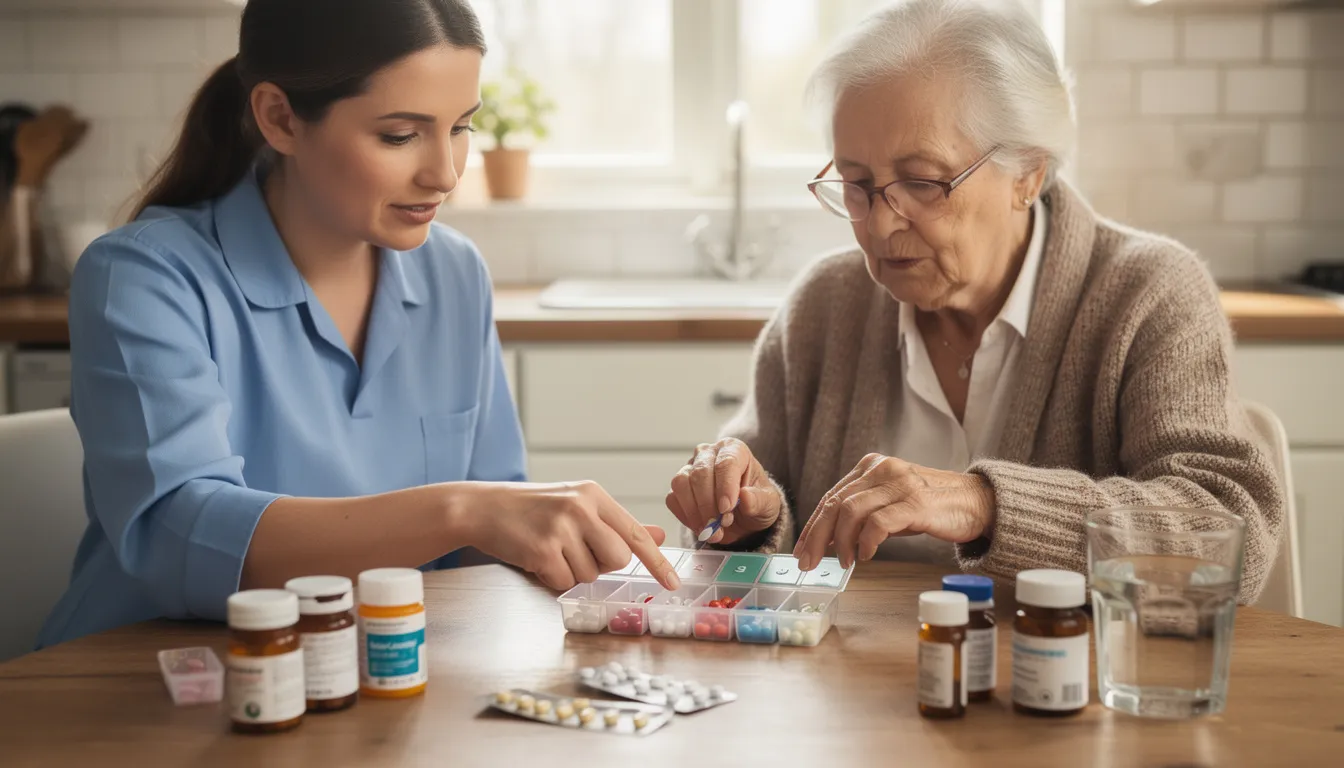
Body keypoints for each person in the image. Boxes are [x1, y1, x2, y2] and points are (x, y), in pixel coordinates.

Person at [39, 0, 678, 648]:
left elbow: (490, 538)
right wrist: (463, 511)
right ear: (280, 118)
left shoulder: (453, 274)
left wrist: (561, 552)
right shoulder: (144, 278)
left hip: (372, 680)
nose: (446, 173)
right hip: (143, 684)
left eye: (460, 127)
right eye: (400, 135)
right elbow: (176, 531)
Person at [664, 0, 1283, 601]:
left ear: (1029, 173)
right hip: (852, 694)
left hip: (1067, 692)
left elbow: (1230, 533)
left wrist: (980, 503)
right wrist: (747, 517)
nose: (879, 226)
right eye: (857, 185)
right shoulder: (824, 307)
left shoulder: (1149, 294)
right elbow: (741, 537)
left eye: (924, 182)